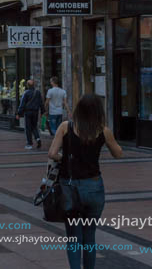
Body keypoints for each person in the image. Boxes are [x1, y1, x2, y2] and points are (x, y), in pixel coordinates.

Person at [48, 95, 123, 269]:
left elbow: (52, 153)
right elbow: (118, 154)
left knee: (74, 236)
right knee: (89, 235)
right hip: (94, 187)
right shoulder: (103, 130)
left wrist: (65, 158)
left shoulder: (65, 127)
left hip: (70, 187)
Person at [18, 79, 44, 150]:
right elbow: (41, 103)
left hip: (28, 112)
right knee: (34, 126)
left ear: (27, 85)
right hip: (35, 112)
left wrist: (19, 113)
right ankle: (38, 138)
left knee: (28, 128)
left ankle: (29, 144)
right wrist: (42, 112)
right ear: (34, 85)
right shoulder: (38, 92)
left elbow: (22, 104)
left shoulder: (26, 93)